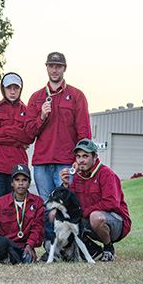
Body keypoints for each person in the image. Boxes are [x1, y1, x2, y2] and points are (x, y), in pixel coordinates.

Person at [26, 52, 91, 251]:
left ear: (64, 68)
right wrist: (42, 117)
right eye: (51, 66)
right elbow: (28, 133)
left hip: (66, 162)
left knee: (70, 206)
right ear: (46, 68)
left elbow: (84, 133)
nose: (54, 70)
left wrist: (78, 160)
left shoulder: (77, 95)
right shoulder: (36, 97)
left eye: (58, 66)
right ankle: (50, 249)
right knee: (48, 208)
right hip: (42, 163)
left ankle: (74, 248)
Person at [56, 139, 131, 262]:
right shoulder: (77, 176)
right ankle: (92, 250)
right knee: (59, 215)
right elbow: (70, 204)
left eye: (85, 156)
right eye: (78, 156)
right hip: (89, 218)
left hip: (116, 223)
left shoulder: (106, 174)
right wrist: (65, 185)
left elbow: (111, 203)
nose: (81, 160)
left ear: (95, 156)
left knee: (95, 217)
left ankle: (108, 249)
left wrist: (83, 214)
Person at [0, 73, 34, 209]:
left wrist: (5, 129)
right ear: (3, 89)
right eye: (9, 88)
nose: (12, 92)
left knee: (17, 208)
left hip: (18, 167)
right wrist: (19, 140)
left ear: (21, 89)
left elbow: (29, 137)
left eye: (16, 88)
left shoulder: (28, 111)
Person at [0, 164, 44, 263]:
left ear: (29, 183)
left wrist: (30, 245)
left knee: (27, 258)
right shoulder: (1, 202)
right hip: (5, 247)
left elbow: (37, 227)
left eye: (24, 180)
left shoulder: (38, 202)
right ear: (12, 183)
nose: (21, 183)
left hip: (24, 247)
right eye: (17, 180)